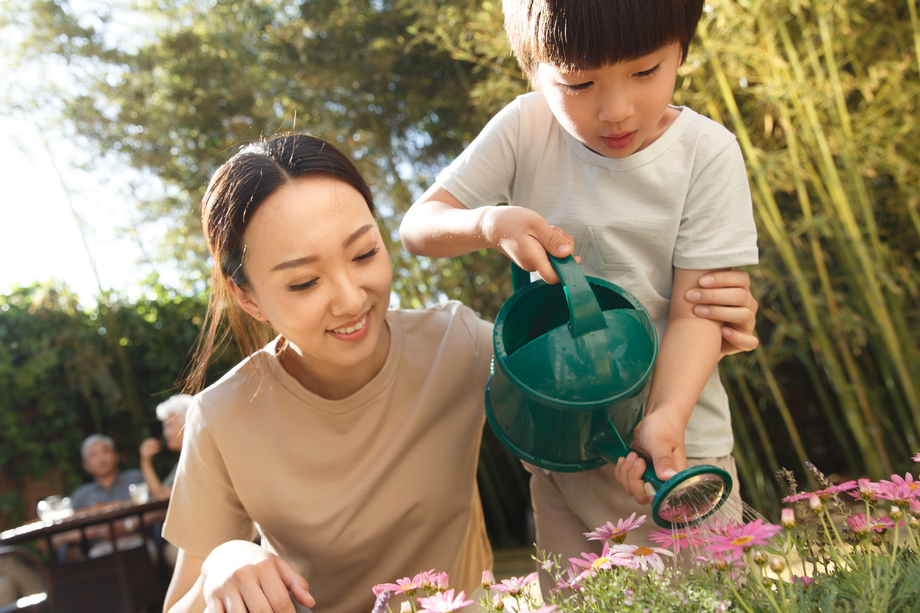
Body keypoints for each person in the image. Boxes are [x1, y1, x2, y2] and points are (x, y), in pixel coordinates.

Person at [161, 133, 758, 613]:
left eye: (365, 253)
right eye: (303, 282)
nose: (349, 298)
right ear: (248, 297)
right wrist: (222, 562)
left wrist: (701, 332)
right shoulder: (222, 418)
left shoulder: (455, 345)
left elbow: (589, 396)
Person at [398, 0, 758, 589]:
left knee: (711, 598)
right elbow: (420, 226)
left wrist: (664, 419)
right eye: (577, 82)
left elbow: (703, 310)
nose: (615, 109)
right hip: (557, 441)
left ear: (682, 51)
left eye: (645, 72)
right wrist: (489, 223)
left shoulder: (706, 153)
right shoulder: (524, 127)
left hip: (677, 449)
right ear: (535, 71)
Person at [53, 434, 147, 558]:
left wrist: (127, 525)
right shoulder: (81, 495)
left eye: (105, 451)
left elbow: (161, 511)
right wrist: (95, 532)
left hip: (139, 542)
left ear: (116, 456)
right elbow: (58, 537)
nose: (101, 458)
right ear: (86, 465)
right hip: (99, 552)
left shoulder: (136, 478)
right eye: (93, 455)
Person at [140, 394, 193, 499]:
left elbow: (163, 498)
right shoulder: (183, 461)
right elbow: (162, 495)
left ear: (187, 425)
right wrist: (146, 462)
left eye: (169, 426)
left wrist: (145, 463)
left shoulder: (197, 459)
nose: (164, 433)